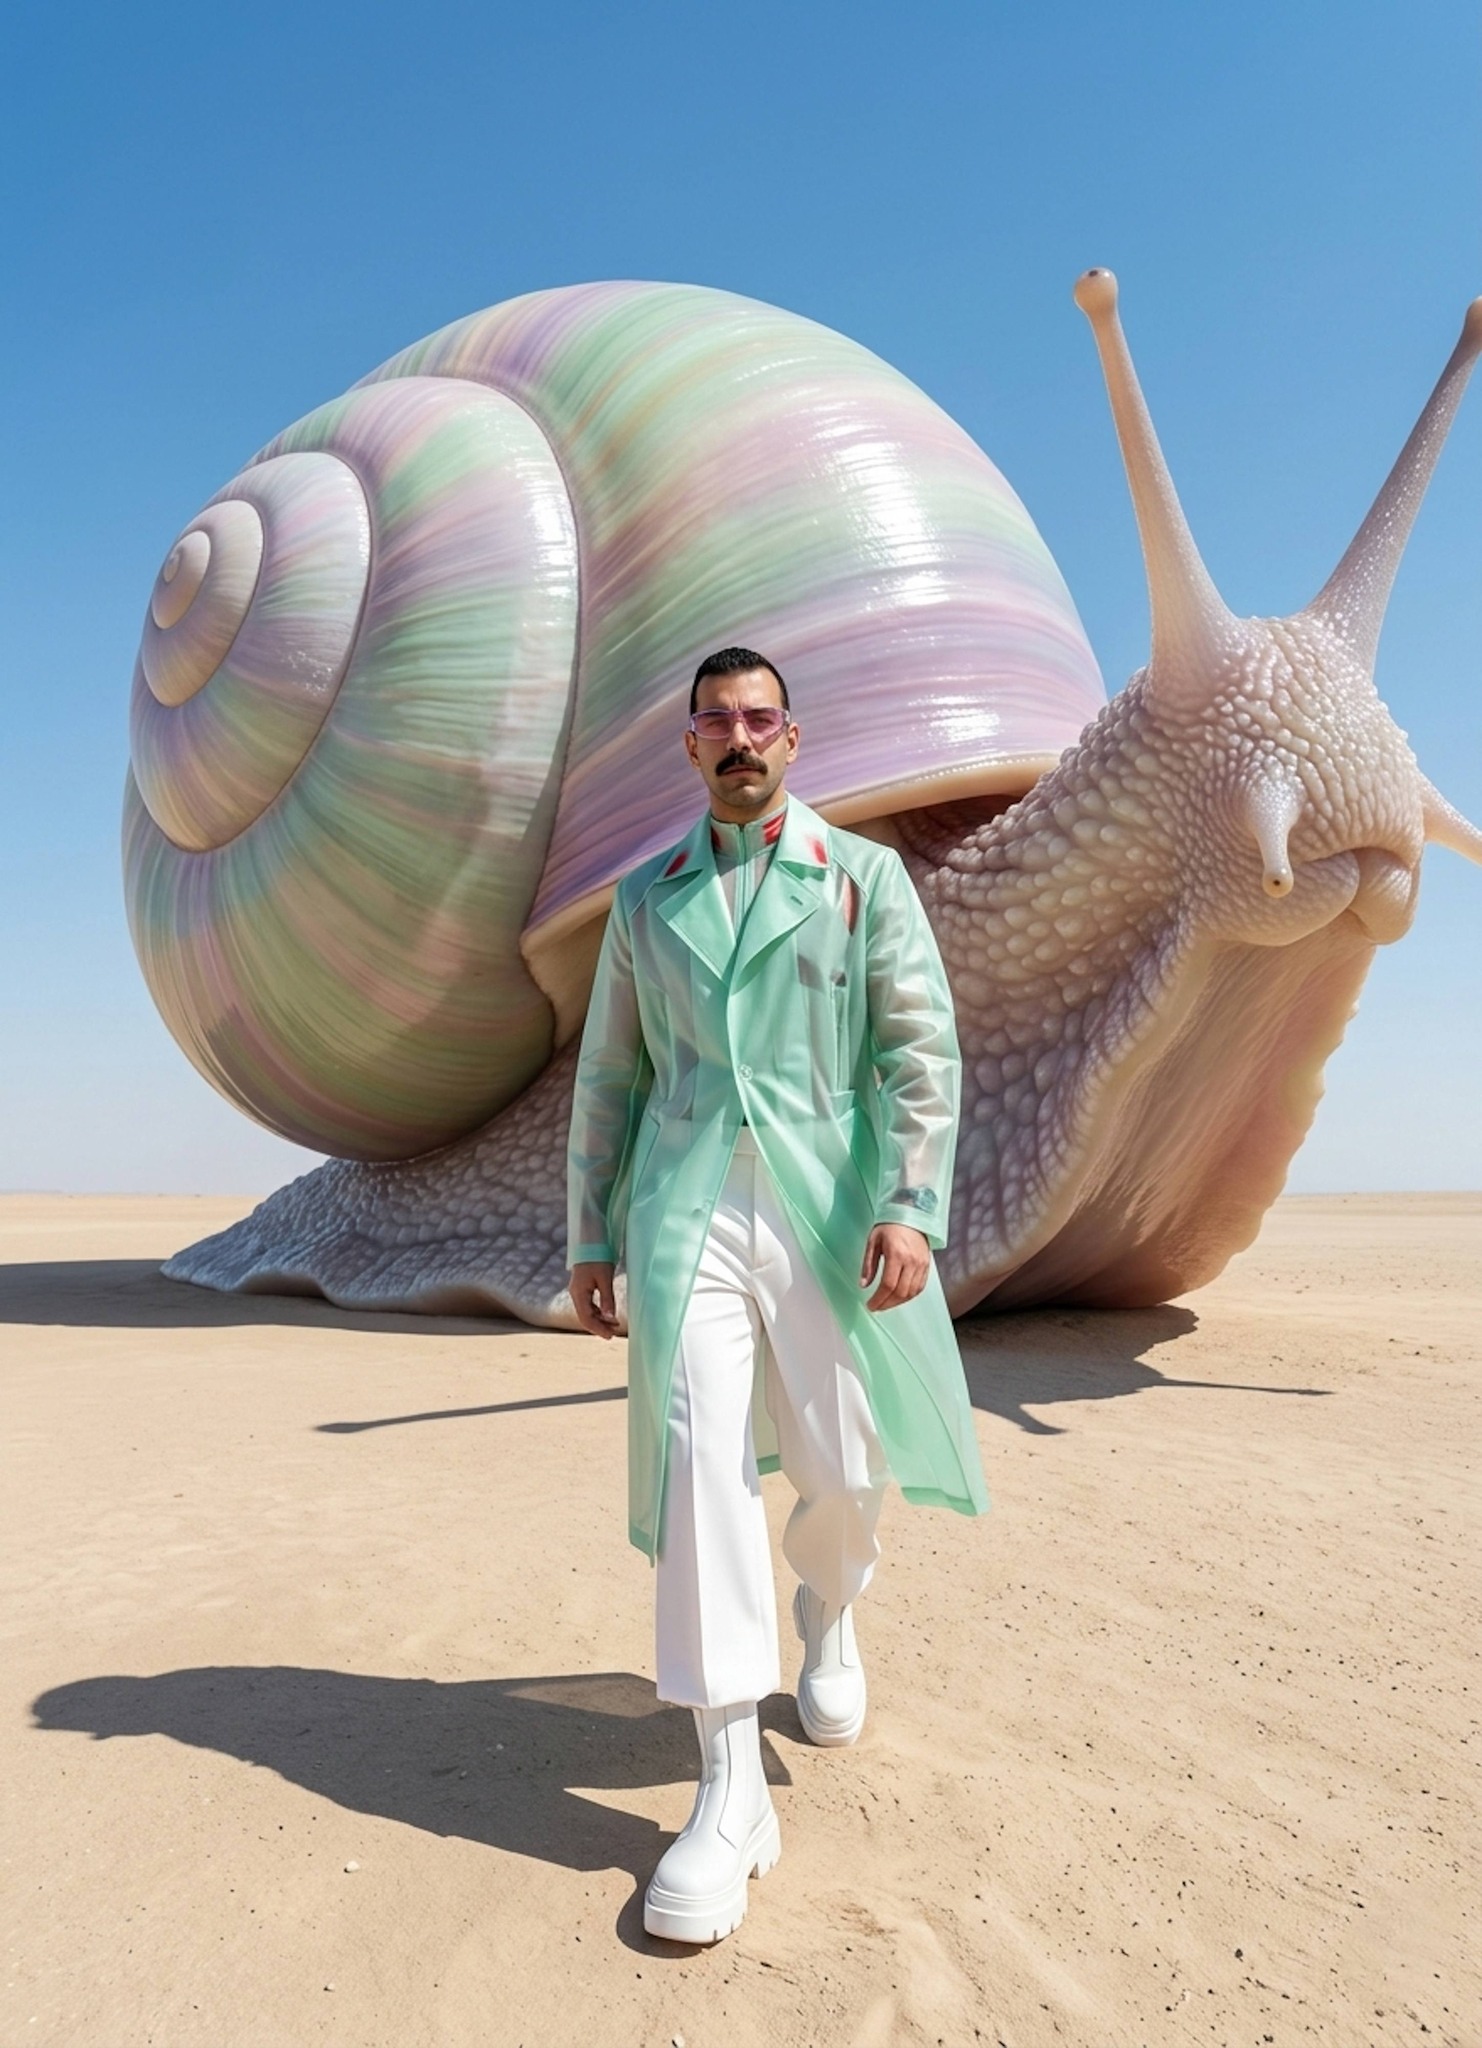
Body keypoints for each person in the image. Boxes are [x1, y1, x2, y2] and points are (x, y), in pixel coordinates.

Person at [567, 646, 988, 1943]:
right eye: (714, 723)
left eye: (758, 720)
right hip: (687, 1209)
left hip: (827, 1206)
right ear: (689, 749)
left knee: (843, 1462)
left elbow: (917, 1047)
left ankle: (832, 1609)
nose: (738, 739)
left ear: (793, 742)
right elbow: (611, 1080)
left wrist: (911, 1203)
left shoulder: (861, 883)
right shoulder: (645, 902)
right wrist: (590, 1230)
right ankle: (728, 1785)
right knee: (703, 1464)